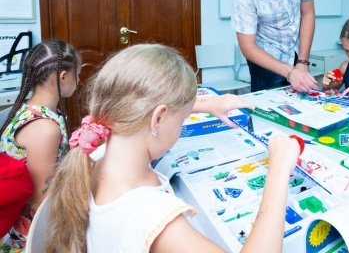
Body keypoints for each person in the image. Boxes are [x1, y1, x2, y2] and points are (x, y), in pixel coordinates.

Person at [44, 44, 301, 252]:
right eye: (182, 119)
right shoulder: (154, 218)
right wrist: (278, 170)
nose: (181, 124)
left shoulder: (96, 152)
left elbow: (143, 106)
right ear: (158, 118)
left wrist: (207, 105)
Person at [0, 40, 81, 252]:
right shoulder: (44, 127)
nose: (78, 80)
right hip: (27, 235)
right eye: (78, 74)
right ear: (63, 76)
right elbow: (39, 199)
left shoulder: (29, 109)